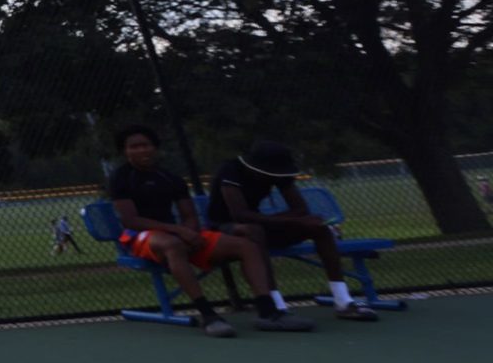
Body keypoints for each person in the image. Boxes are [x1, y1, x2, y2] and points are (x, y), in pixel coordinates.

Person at [103, 125, 310, 337]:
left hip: (177, 235)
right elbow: (131, 220)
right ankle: (208, 315)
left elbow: (189, 215)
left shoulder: (170, 177)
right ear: (124, 151)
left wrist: (190, 232)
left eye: (145, 145)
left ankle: (268, 311)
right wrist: (179, 232)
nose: (141, 150)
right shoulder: (121, 177)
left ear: (154, 147)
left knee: (246, 246)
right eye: (134, 147)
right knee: (172, 244)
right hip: (140, 236)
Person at [205, 141, 377, 323]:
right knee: (253, 231)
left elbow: (300, 208)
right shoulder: (230, 172)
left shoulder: (278, 174)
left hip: (258, 226)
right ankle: (275, 306)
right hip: (222, 230)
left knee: (320, 228)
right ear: (256, 167)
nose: (276, 176)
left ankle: (343, 301)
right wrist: (291, 220)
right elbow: (239, 215)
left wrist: (300, 221)